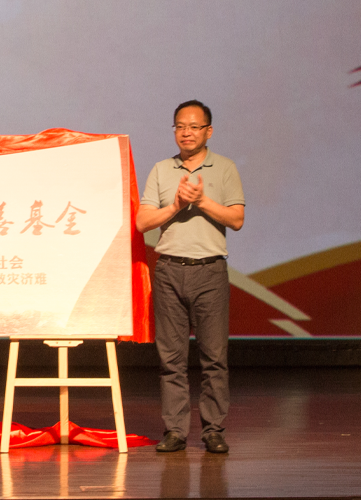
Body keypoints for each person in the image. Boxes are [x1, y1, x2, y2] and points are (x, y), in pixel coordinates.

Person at [136, 100, 245, 454]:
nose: (187, 133)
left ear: (208, 131)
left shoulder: (225, 168)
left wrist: (201, 200)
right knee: (171, 359)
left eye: (194, 127)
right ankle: (175, 431)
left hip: (210, 271)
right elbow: (142, 222)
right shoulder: (161, 169)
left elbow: (237, 219)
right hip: (170, 270)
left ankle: (213, 430)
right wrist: (176, 206)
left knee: (214, 358)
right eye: (180, 126)